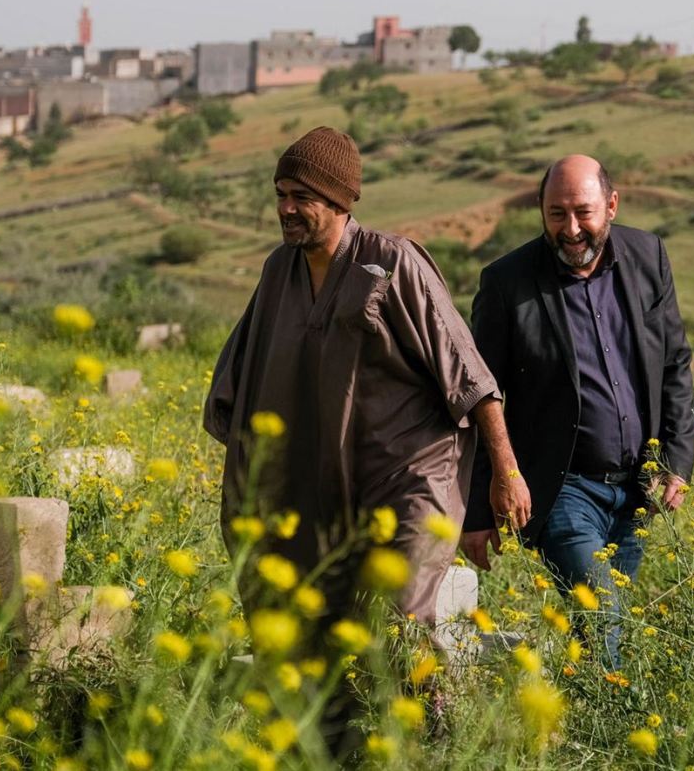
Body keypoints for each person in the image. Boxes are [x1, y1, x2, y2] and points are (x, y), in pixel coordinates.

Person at [203, 126, 518, 755]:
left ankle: (439, 739)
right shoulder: (279, 271)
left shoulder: (394, 263)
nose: (286, 208)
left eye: (302, 197)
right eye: (280, 193)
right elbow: (244, 379)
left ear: (341, 201)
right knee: (310, 629)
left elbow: (471, 376)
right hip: (319, 483)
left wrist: (505, 472)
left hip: (408, 476)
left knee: (395, 608)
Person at [460, 154, 694, 665]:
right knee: (601, 606)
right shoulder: (507, 282)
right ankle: (614, 728)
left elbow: (674, 361)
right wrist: (479, 506)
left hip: (638, 485)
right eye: (555, 214)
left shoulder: (647, 255)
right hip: (560, 484)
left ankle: (568, 723)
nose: (570, 229)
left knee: (598, 625)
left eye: (583, 213)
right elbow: (481, 396)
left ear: (611, 205)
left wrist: (676, 459)